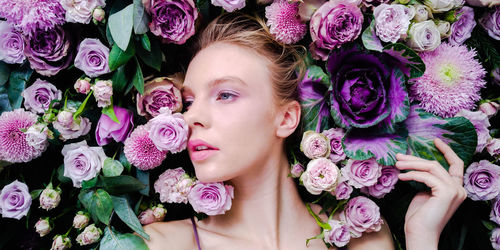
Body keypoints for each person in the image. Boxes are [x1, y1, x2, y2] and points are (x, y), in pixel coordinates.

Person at [143, 13, 467, 250]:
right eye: (188, 101)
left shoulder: (360, 240)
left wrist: (422, 237)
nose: (191, 118)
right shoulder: (162, 244)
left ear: (286, 118)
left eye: (225, 94)